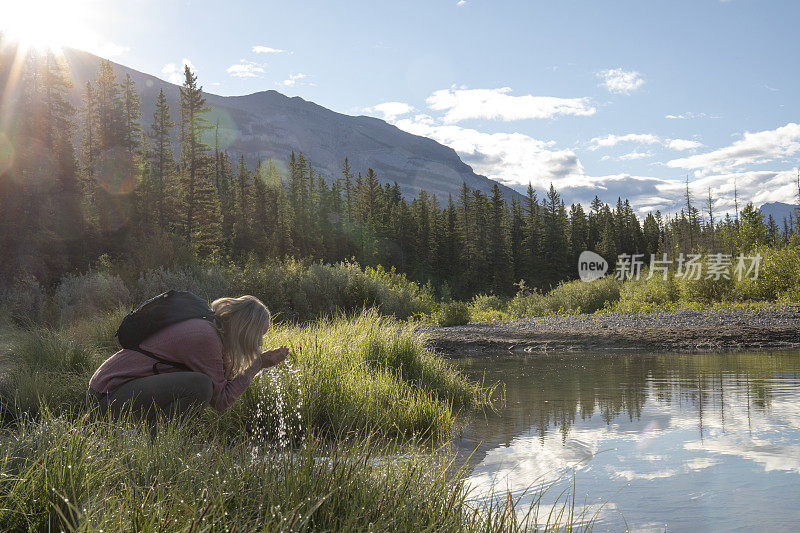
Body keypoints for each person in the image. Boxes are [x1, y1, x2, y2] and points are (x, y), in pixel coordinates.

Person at [87, 295, 288, 422]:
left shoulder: (210, 331)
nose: (259, 343)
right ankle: (156, 443)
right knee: (201, 386)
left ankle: (157, 437)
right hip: (105, 399)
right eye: (259, 335)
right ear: (245, 330)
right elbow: (220, 401)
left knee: (202, 385)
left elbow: (222, 386)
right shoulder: (206, 337)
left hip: (112, 393)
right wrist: (258, 365)